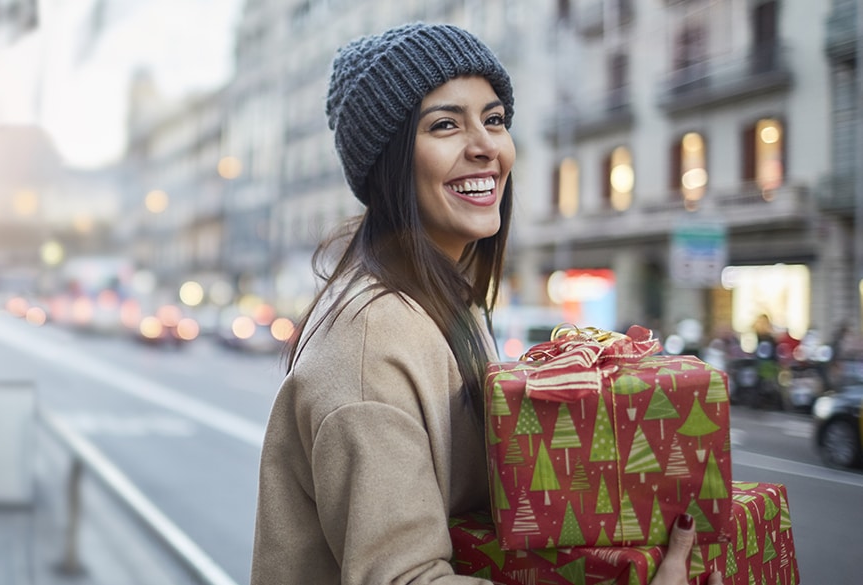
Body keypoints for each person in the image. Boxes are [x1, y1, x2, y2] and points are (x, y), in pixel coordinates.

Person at [249, 23, 720, 585]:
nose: (486, 146)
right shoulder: (371, 345)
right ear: (389, 161)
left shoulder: (452, 305)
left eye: (494, 120)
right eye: (445, 124)